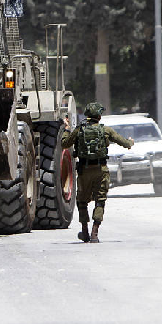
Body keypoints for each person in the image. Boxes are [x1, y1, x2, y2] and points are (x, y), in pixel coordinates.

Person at [62, 102, 132, 243]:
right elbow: (124, 143)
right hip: (101, 170)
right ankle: (95, 233)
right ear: (99, 116)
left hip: (84, 171)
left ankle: (85, 231)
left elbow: (64, 143)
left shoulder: (79, 130)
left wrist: (67, 129)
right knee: (100, 201)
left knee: (82, 201)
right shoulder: (105, 130)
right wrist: (130, 142)